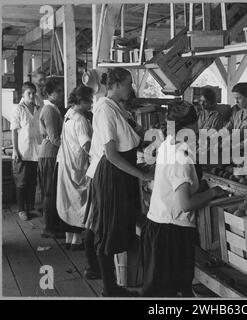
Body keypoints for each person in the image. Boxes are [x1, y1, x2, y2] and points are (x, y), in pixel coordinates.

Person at [141, 101, 228, 297]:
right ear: (192, 126)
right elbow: (186, 204)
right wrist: (213, 193)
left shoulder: (166, 145)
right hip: (171, 233)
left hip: (158, 225)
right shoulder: (180, 155)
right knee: (168, 293)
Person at [86, 67, 152, 297]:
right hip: (112, 174)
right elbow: (112, 154)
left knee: (116, 226)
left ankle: (114, 284)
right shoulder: (104, 109)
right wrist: (141, 174)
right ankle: (109, 288)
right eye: (128, 84)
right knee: (107, 229)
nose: (131, 88)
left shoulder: (117, 107)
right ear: (115, 85)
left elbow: (133, 137)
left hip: (122, 172)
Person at [56, 85, 94, 251]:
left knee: (69, 201)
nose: (91, 104)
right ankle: (77, 241)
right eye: (89, 101)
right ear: (81, 100)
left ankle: (69, 239)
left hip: (67, 163)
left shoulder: (68, 115)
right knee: (80, 202)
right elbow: (86, 145)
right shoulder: (80, 120)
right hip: (78, 165)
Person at [10, 82, 42, 221]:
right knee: (21, 183)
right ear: (23, 94)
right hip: (22, 152)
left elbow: (43, 105)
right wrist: (15, 150)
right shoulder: (18, 109)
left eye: (33, 93)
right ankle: (22, 209)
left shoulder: (38, 108)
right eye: (29, 93)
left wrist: (37, 99)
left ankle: (31, 207)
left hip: (35, 152)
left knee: (32, 182)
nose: (32, 95)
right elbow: (14, 132)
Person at [38, 78, 65, 238]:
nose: (61, 94)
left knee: (52, 190)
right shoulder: (49, 110)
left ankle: (52, 224)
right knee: (49, 191)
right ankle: (48, 227)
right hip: (49, 154)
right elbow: (55, 138)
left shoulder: (53, 108)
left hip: (51, 153)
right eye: (58, 91)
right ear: (49, 93)